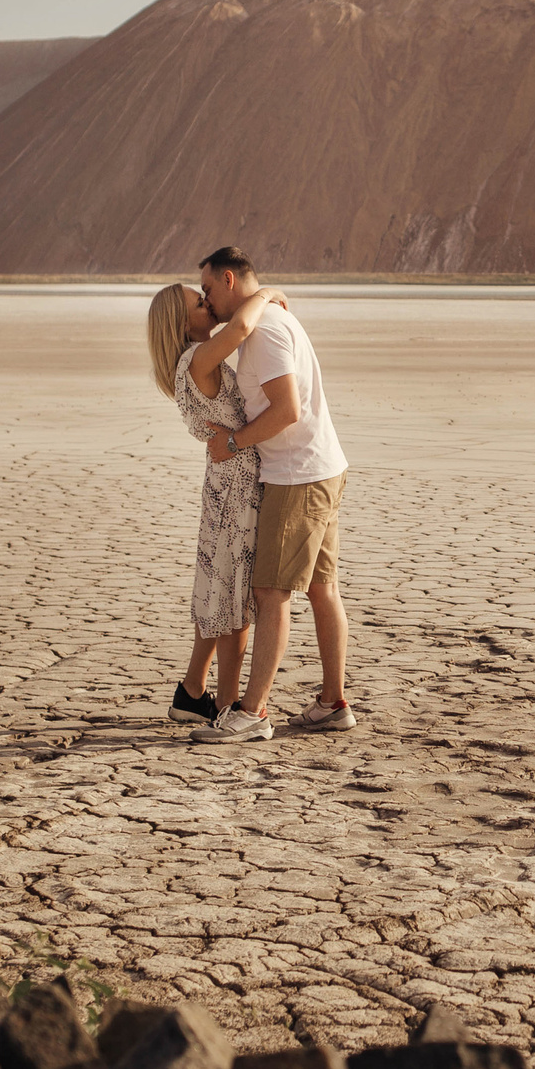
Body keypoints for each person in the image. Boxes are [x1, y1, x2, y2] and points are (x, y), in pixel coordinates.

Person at [190, 245, 355, 740]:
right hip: (322, 466)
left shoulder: (262, 332)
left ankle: (253, 712)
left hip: (297, 474)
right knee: (322, 588)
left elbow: (287, 410)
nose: (206, 300)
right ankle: (332, 703)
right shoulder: (268, 320)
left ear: (227, 280)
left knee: (270, 592)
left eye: (206, 290)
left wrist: (234, 442)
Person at [143, 277, 288, 724]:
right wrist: (265, 294)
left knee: (217, 593)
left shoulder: (187, 364)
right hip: (236, 489)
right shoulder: (196, 359)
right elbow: (241, 330)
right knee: (233, 602)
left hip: (224, 482)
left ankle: (192, 691)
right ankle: (226, 704)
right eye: (200, 303)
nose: (209, 305)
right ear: (181, 322)